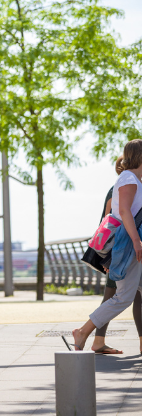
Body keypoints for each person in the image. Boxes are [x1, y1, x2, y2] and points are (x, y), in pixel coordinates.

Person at [74, 139, 142, 352]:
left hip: (128, 243)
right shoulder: (129, 178)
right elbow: (123, 212)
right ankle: (84, 331)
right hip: (128, 244)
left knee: (124, 295)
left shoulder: (133, 179)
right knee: (122, 298)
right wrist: (136, 241)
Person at [90, 157, 142, 354]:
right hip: (121, 248)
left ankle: (98, 340)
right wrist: (109, 256)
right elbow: (109, 223)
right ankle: (96, 339)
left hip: (122, 248)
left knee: (119, 296)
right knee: (115, 296)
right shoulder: (124, 187)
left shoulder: (122, 187)